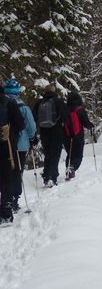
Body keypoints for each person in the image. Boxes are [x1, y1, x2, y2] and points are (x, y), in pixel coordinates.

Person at [4, 79, 36, 212]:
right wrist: (32, 137)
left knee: (6, 173)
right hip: (20, 145)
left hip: (4, 144)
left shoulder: (3, 104)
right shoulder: (22, 106)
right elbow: (30, 125)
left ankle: (6, 199)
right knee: (17, 172)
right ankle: (14, 199)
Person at [33, 85, 67, 188]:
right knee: (55, 154)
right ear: (54, 91)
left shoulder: (39, 103)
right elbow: (66, 117)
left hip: (44, 132)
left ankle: (46, 176)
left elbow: (34, 117)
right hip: (56, 132)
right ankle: (52, 177)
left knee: (47, 154)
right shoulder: (59, 101)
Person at [0, 86, 25, 223]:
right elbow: (21, 124)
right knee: (7, 178)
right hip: (7, 145)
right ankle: (6, 212)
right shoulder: (9, 102)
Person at [63, 91, 94, 180]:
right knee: (78, 155)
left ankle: (68, 167)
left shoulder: (65, 109)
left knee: (70, 153)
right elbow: (86, 123)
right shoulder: (80, 110)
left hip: (67, 135)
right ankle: (72, 168)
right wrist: (90, 125)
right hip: (78, 135)